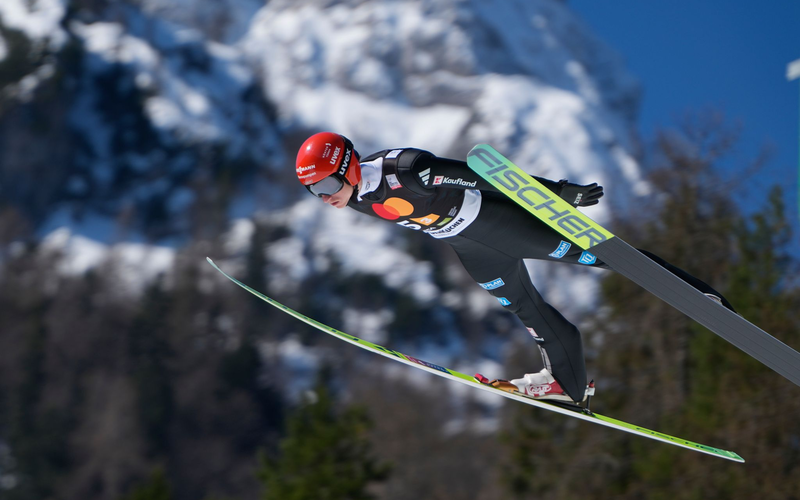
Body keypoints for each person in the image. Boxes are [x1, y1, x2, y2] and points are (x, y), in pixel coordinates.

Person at [294, 132, 735, 404]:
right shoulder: (352, 196)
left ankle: (700, 295)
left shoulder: (407, 170)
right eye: (314, 191)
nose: (326, 197)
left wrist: (555, 192)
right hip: (470, 247)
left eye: (327, 183)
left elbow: (484, 176)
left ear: (348, 165)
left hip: (502, 224)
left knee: (609, 257)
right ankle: (566, 383)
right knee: (525, 308)